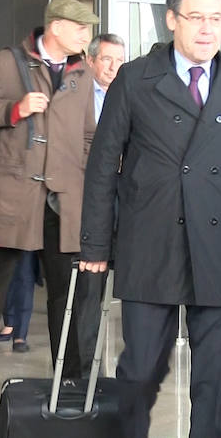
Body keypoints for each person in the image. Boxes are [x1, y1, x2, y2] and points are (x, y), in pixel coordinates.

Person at [79, 0, 221, 438]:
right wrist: (95, 242)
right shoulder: (135, 79)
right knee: (140, 371)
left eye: (216, 19)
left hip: (217, 246)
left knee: (214, 375)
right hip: (150, 243)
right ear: (172, 20)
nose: (207, 29)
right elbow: (101, 168)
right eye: (196, 18)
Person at [0, 0, 99, 394]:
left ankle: (68, 373)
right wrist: (13, 109)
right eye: (80, 28)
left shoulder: (81, 73)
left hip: (63, 196)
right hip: (12, 192)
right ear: (56, 27)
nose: (86, 35)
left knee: (64, 293)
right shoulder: (6, 63)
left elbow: (87, 133)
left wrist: (85, 179)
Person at [76, 32, 125, 373]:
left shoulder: (131, 95)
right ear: (90, 61)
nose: (113, 67)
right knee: (89, 287)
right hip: (87, 198)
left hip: (128, 199)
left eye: (119, 60)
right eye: (106, 59)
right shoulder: (75, 96)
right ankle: (84, 367)